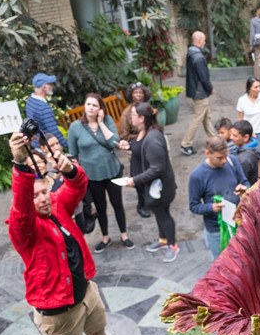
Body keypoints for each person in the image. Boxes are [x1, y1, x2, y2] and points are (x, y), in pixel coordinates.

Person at [5, 131, 128, 335]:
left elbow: (77, 186)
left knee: (98, 333)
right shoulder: (21, 227)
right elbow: (22, 208)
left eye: (44, 191)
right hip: (56, 308)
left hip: (85, 290)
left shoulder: (58, 206)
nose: (43, 199)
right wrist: (20, 165)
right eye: (35, 196)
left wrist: (69, 168)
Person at [68, 92, 133, 253]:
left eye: (95, 105)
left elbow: (113, 143)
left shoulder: (108, 121)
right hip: (92, 174)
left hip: (111, 170)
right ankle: (105, 236)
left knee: (117, 204)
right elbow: (73, 153)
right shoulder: (75, 127)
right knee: (100, 206)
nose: (91, 108)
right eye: (88, 104)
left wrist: (101, 123)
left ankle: (124, 235)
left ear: (100, 109)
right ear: (84, 106)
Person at [119, 103, 180, 262]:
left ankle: (172, 245)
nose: (130, 117)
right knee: (159, 213)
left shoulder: (152, 138)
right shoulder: (146, 132)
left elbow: (156, 169)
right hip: (153, 186)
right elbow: (139, 149)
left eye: (133, 114)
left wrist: (134, 180)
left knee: (163, 214)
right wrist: (129, 147)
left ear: (142, 118)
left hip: (161, 188)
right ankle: (163, 240)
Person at [188, 137, 249, 260]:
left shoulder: (232, 161)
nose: (224, 161)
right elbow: (194, 206)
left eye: (226, 156)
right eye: (219, 158)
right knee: (221, 264)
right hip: (216, 230)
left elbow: (245, 182)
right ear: (207, 154)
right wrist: (211, 207)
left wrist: (244, 188)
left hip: (238, 223)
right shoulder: (197, 176)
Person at [119, 81, 154, 218]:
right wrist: (140, 135)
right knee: (139, 176)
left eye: (141, 92)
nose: (138, 95)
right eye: (136, 93)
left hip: (150, 146)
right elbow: (123, 135)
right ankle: (142, 205)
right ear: (131, 95)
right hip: (135, 148)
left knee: (152, 173)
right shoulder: (127, 113)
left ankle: (151, 201)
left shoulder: (148, 108)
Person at [179, 31, 214, 156]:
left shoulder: (191, 53)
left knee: (206, 116)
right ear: (199, 40)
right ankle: (186, 143)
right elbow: (204, 77)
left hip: (195, 90)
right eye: (204, 40)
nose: (205, 42)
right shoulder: (199, 57)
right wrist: (210, 88)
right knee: (198, 118)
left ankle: (213, 138)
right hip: (200, 92)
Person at [235, 77, 260, 172]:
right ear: (249, 88)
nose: (258, 89)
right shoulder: (242, 100)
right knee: (249, 158)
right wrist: (247, 132)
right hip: (249, 135)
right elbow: (240, 119)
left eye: (259, 86)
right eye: (256, 87)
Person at [26, 73, 68, 148]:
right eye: (50, 84)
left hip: (35, 143)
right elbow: (54, 132)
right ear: (44, 87)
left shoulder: (30, 101)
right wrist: (68, 146)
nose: (52, 86)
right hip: (46, 148)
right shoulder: (43, 108)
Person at [229, 119, 260, 185]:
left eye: (234, 136)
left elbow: (240, 181)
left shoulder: (244, 160)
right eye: (231, 134)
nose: (231, 137)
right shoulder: (256, 146)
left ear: (245, 137)